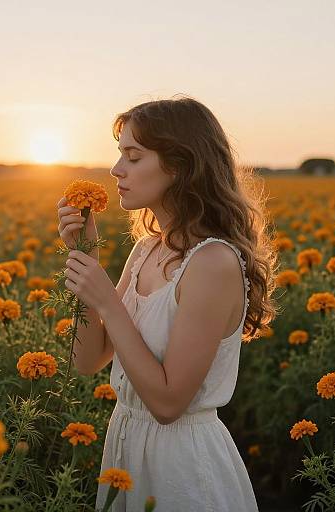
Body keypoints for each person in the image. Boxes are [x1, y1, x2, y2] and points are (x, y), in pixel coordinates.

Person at [57, 95, 279, 511]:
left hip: (183, 469)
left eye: (133, 156)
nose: (116, 169)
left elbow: (168, 403)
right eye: (119, 154)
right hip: (125, 448)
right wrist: (86, 257)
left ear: (179, 165)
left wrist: (107, 300)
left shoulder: (213, 263)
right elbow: (87, 361)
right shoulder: (145, 250)